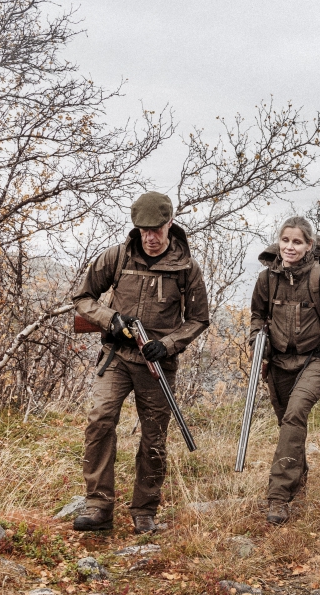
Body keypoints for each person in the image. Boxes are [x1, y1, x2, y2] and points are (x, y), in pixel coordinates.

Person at [72, 191, 209, 534]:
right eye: (144, 230)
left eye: (156, 230)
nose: (150, 237)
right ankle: (98, 507)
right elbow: (83, 298)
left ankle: (145, 511)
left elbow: (198, 319)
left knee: (154, 437)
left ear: (170, 224)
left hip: (157, 366)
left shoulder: (187, 268)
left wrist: (167, 345)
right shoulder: (117, 257)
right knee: (100, 420)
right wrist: (110, 319)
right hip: (116, 357)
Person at [250, 217, 320, 525]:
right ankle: (297, 481)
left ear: (309, 245)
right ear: (279, 242)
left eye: (297, 242)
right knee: (288, 425)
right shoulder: (266, 279)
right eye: (285, 240)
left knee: (294, 415)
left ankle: (278, 497)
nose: (290, 247)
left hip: (316, 361)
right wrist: (257, 340)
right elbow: (257, 316)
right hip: (279, 364)